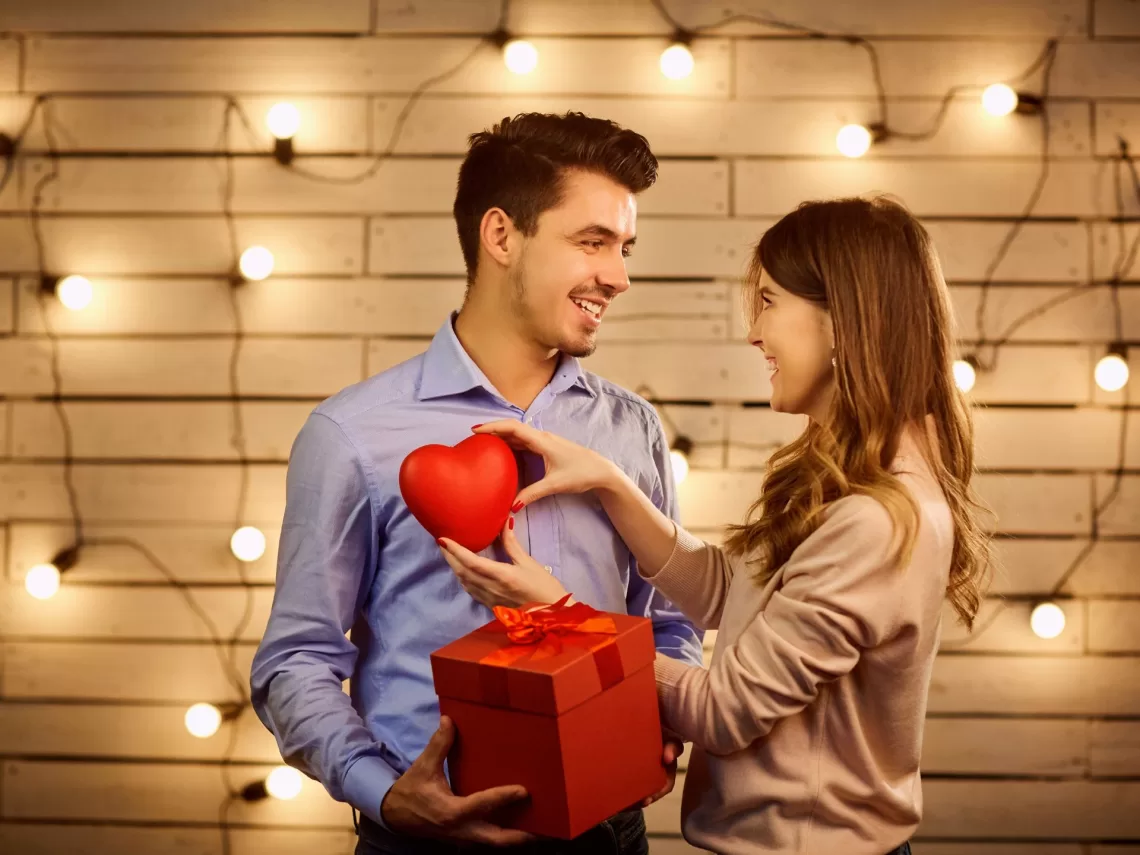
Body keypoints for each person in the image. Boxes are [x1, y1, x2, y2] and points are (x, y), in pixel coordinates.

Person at [443, 196, 994, 855]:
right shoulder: (853, 480)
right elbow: (730, 591)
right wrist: (609, 482)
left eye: (768, 301)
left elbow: (723, 708)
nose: (754, 333)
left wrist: (555, 620)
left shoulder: (875, 518)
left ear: (844, 320)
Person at [249, 111, 704, 855]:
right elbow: (295, 659)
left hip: (611, 836)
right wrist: (385, 792)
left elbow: (669, 623)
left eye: (623, 248)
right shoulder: (351, 434)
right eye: (592, 242)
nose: (618, 276)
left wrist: (657, 724)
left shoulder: (633, 429)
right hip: (421, 843)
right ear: (501, 236)